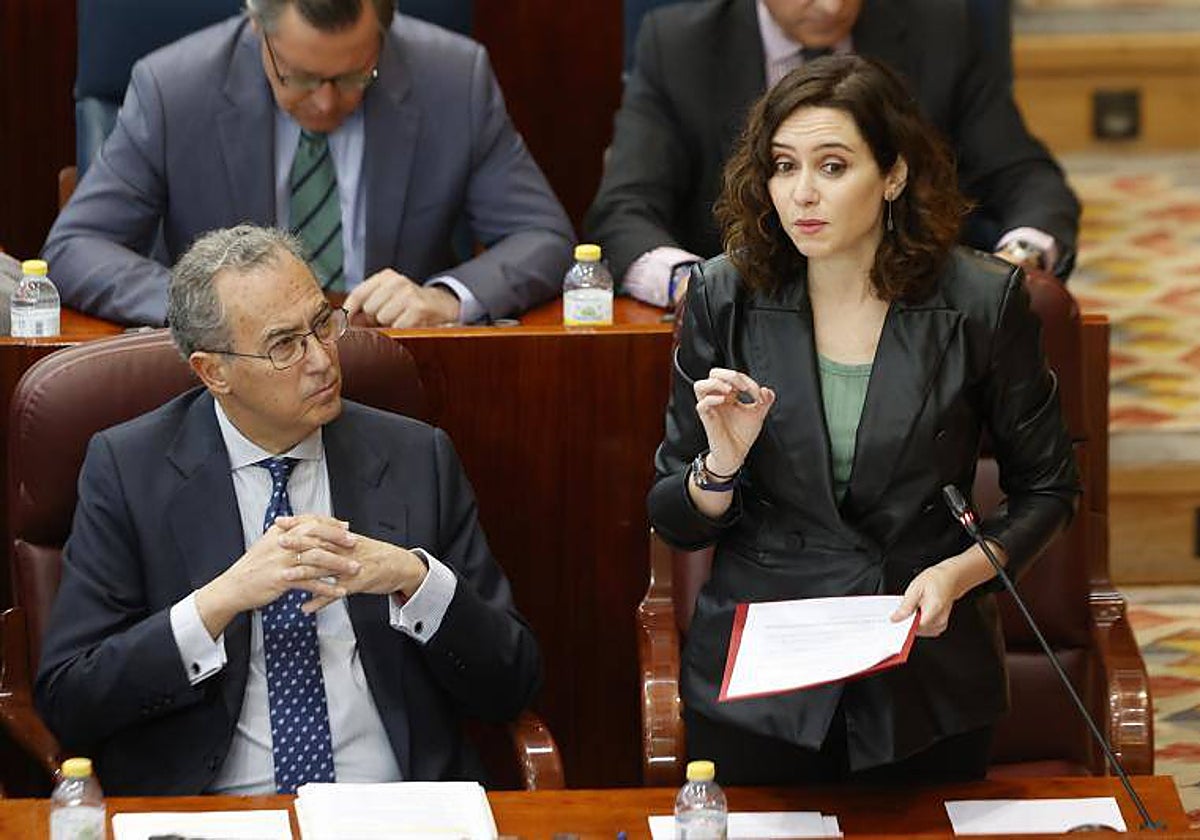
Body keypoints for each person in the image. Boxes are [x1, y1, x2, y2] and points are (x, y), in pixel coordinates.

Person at [647, 55, 1080, 784]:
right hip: (763, 684)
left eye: (834, 166)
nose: (802, 194)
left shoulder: (982, 301)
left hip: (924, 673)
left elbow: (1048, 489)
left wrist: (961, 572)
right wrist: (718, 466)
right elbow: (676, 519)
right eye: (784, 166)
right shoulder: (725, 294)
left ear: (894, 175)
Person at [35, 225, 541, 795]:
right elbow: (70, 699)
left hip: (390, 808)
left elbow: (512, 682)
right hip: (218, 817)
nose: (323, 360)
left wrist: (414, 580)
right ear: (212, 372)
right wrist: (217, 603)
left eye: (323, 324)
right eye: (284, 345)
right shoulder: (129, 471)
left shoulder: (415, 456)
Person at [42, 0, 574, 328]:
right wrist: (208, 307)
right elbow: (76, 246)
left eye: (352, 77)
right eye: (297, 76)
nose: (325, 103)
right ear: (257, 27)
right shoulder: (173, 89)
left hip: (392, 364)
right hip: (230, 383)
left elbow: (543, 236)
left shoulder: (454, 79)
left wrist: (445, 299)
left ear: (383, 34)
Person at [585, 0, 1081, 310]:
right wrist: (698, 291)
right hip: (739, 327)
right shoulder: (677, 46)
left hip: (912, 311)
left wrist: (1013, 268)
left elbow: (1027, 179)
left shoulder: (940, 31)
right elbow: (623, 210)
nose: (832, 6)